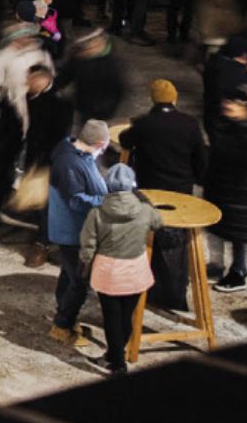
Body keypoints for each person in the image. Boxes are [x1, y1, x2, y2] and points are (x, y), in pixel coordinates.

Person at [117, 80, 205, 310]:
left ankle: (148, 288)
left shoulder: (145, 124)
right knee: (177, 241)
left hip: (150, 190)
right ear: (174, 99)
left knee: (149, 237)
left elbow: (125, 141)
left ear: (153, 99)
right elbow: (200, 158)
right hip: (181, 191)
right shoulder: (190, 123)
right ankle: (175, 292)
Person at [78, 164, 163, 375]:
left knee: (111, 318)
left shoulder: (97, 213)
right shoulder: (144, 210)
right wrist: (146, 201)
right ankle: (114, 356)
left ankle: (117, 363)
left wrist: (85, 265)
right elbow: (158, 223)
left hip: (108, 271)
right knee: (126, 316)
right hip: (136, 269)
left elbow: (88, 245)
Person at [47, 119, 110, 348]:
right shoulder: (69, 163)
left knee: (68, 274)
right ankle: (62, 326)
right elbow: (76, 200)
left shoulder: (77, 154)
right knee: (80, 282)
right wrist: (106, 201)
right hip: (73, 231)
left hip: (74, 230)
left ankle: (63, 316)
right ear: (100, 144)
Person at [204, 98, 247, 293]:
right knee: (218, 232)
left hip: (237, 198)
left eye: (234, 103)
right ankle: (218, 266)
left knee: (236, 237)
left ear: (246, 109)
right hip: (226, 193)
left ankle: (239, 273)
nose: (227, 105)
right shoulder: (232, 128)